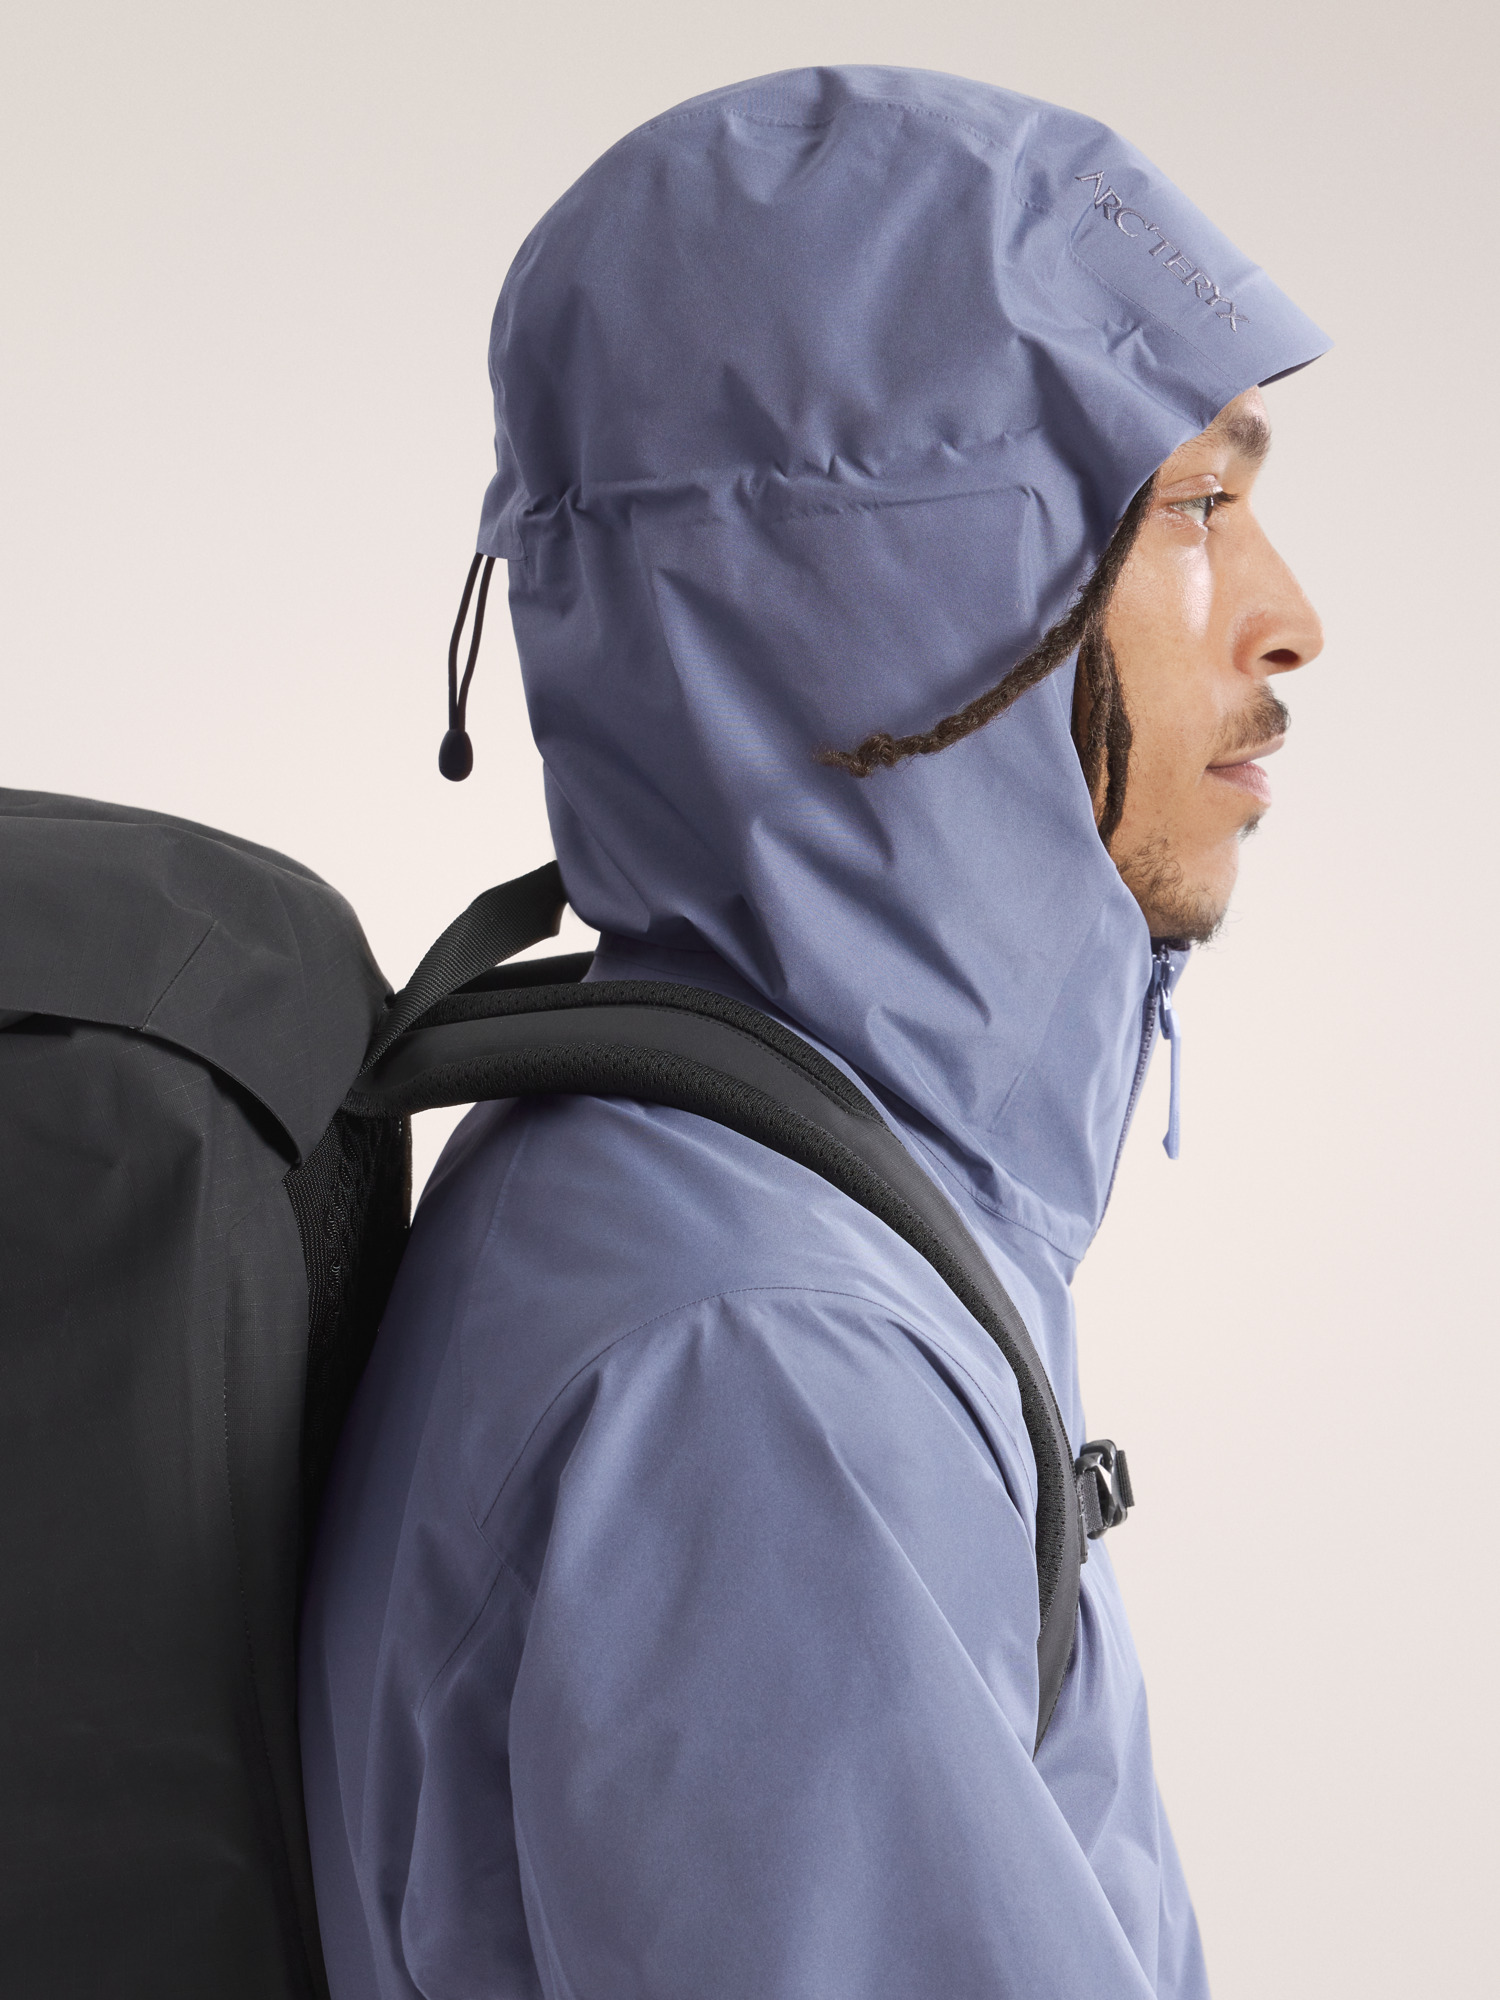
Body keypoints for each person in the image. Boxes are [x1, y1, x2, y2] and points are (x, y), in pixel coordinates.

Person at [300, 66, 1324, 1998]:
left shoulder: (727, 1179)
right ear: (896, 587)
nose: (1288, 620)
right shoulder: (765, 1360)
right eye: (1197, 503)